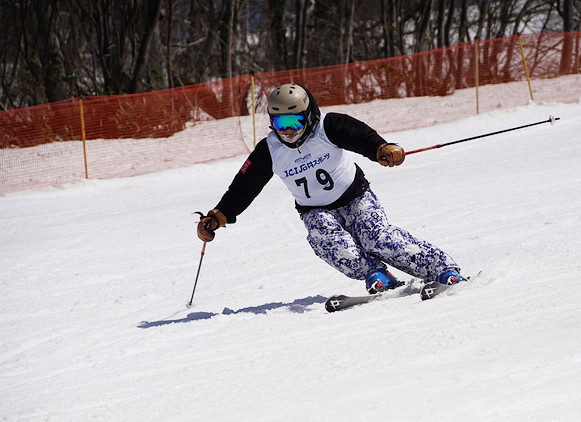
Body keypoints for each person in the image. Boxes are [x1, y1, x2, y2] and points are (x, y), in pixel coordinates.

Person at [197, 83, 465, 293]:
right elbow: (245, 186)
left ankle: (441, 267)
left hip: (355, 196)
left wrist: (381, 149)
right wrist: (219, 215)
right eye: (281, 124)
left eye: (294, 122)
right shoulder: (269, 150)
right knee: (330, 243)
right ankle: (375, 273)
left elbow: (360, 136)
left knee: (378, 239)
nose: (288, 132)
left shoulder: (329, 126)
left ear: (309, 114)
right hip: (315, 209)